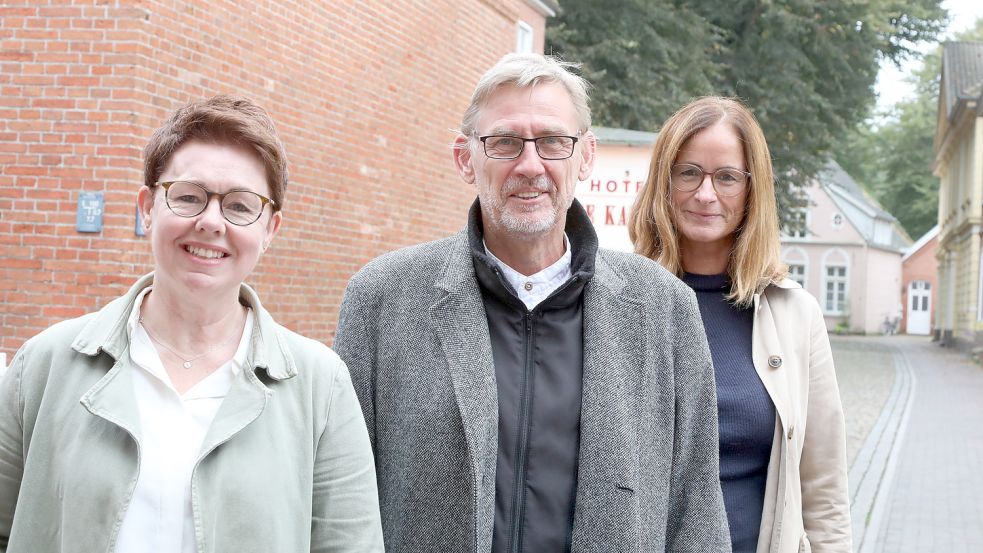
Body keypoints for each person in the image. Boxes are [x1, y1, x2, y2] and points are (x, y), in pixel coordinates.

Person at [333, 53, 730, 553]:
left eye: (552, 142)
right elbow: (340, 506)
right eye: (503, 143)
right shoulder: (382, 300)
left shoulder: (664, 308)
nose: (530, 165)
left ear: (586, 155)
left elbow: (696, 509)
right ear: (464, 158)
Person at [0, 95, 383, 553]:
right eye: (187, 197)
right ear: (147, 208)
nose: (210, 221)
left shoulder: (321, 386)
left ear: (270, 230)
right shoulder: (44, 366)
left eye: (241, 206)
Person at [629, 96, 852, 553]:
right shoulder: (620, 303)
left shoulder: (795, 316)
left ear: (754, 190)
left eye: (727, 177)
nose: (705, 194)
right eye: (688, 172)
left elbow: (824, 488)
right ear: (663, 182)